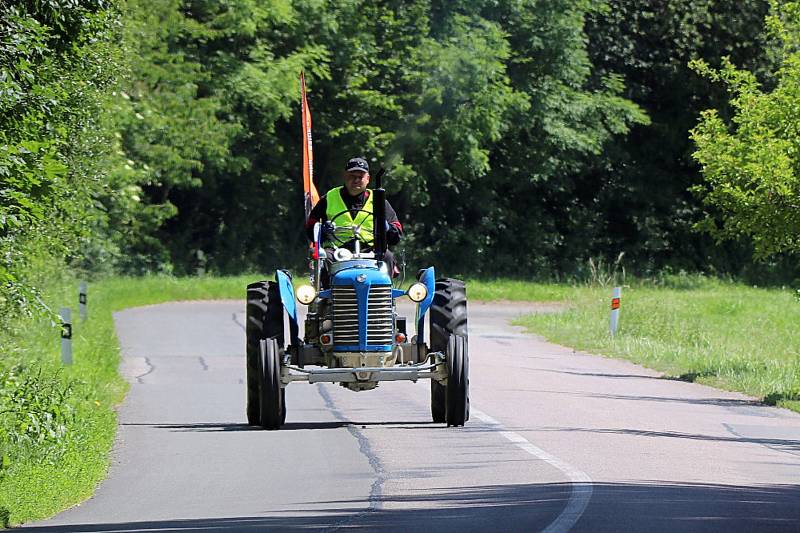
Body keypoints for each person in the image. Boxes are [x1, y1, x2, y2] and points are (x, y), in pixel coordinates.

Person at [305, 157, 403, 278]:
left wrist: (387, 227)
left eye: (360, 177)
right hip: (337, 250)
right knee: (324, 256)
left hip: (370, 250)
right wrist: (323, 230)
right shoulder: (329, 197)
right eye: (352, 176)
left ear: (368, 179)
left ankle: (384, 294)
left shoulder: (379, 201)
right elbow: (311, 226)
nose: (356, 180)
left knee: (387, 256)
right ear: (345, 176)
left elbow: (396, 233)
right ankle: (327, 294)